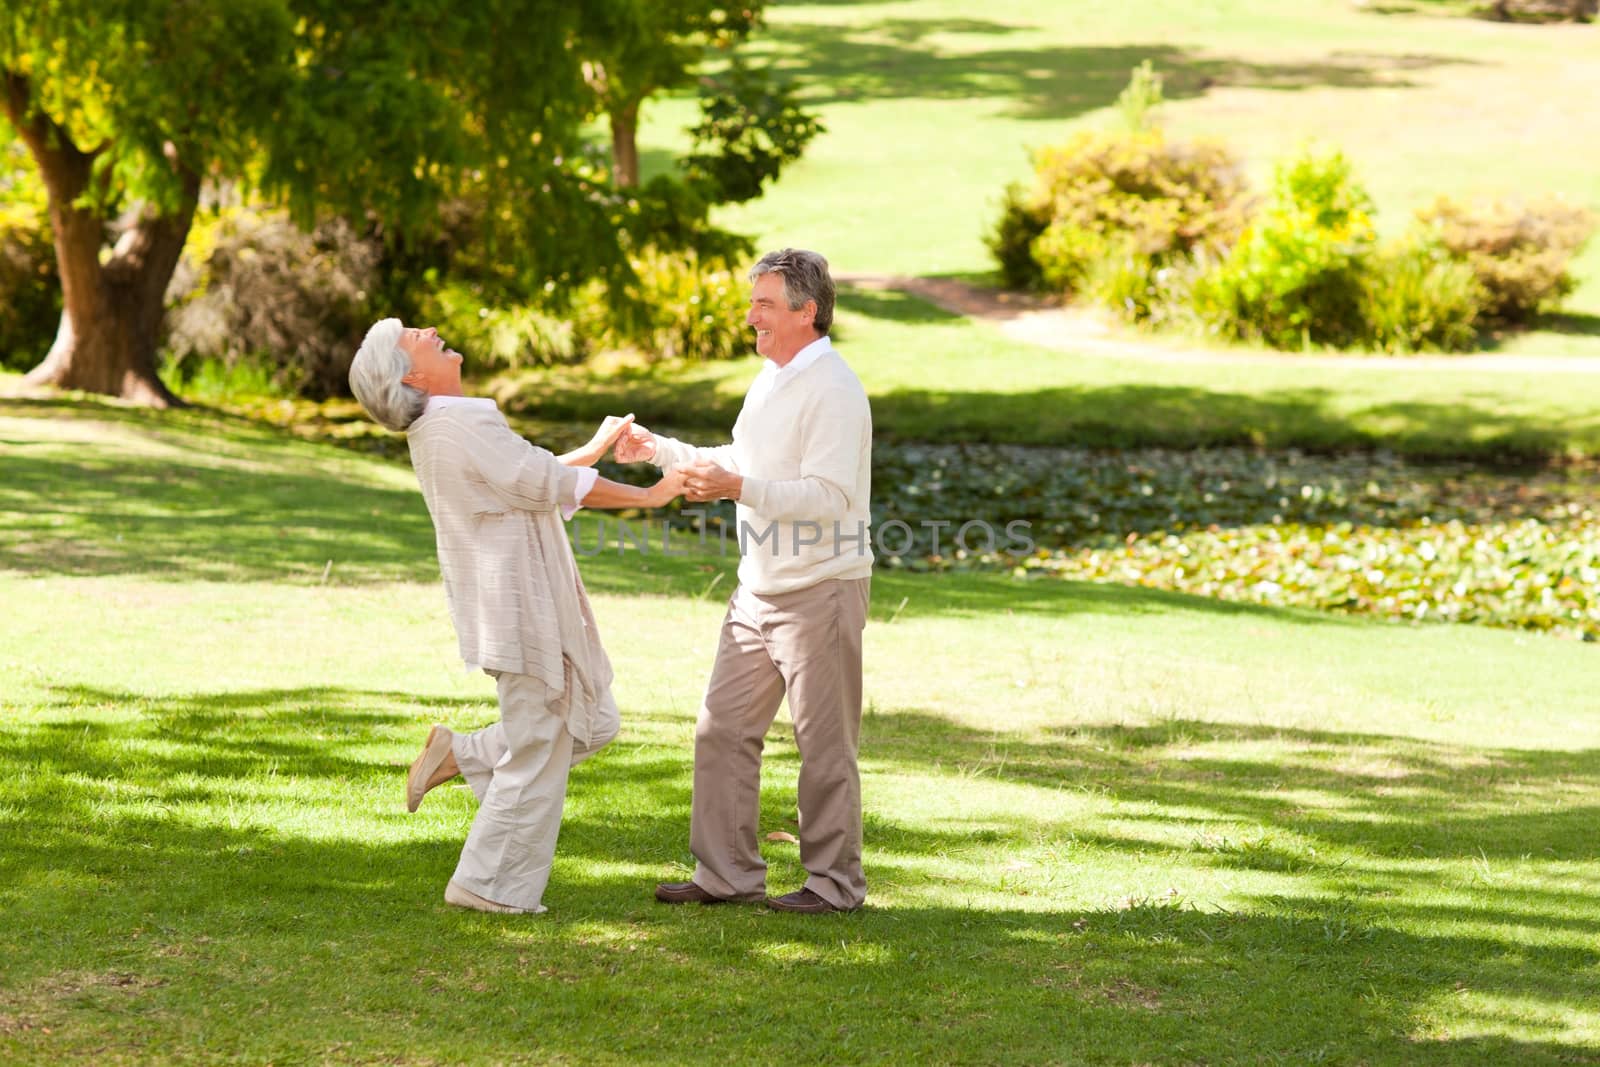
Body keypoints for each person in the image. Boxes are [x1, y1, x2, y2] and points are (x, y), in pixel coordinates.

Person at [348, 319, 683, 915]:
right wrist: (650, 497)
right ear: (413, 375)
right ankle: (486, 886)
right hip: (520, 605)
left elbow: (518, 477)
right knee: (539, 744)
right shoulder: (458, 421)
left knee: (593, 721)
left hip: (512, 600)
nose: (427, 330)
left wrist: (592, 451)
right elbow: (537, 481)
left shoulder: (442, 427)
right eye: (412, 336)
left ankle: (462, 754)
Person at [612, 248, 874, 914]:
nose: (750, 315)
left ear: (805, 311)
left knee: (824, 746)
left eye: (764, 303)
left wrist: (740, 488)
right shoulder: (772, 378)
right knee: (720, 729)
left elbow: (831, 495)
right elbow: (743, 461)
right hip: (756, 588)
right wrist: (661, 451)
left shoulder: (835, 388)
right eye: (752, 301)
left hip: (821, 588)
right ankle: (726, 873)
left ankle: (833, 886)